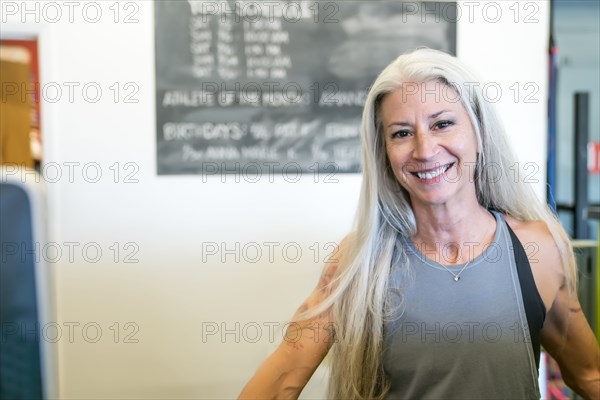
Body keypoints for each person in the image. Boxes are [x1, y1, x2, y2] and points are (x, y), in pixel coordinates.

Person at [238, 48, 600, 399]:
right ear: (384, 153)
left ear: (480, 132)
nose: (425, 150)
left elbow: (588, 374)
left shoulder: (537, 250)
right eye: (401, 133)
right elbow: (280, 382)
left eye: (442, 123)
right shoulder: (358, 262)